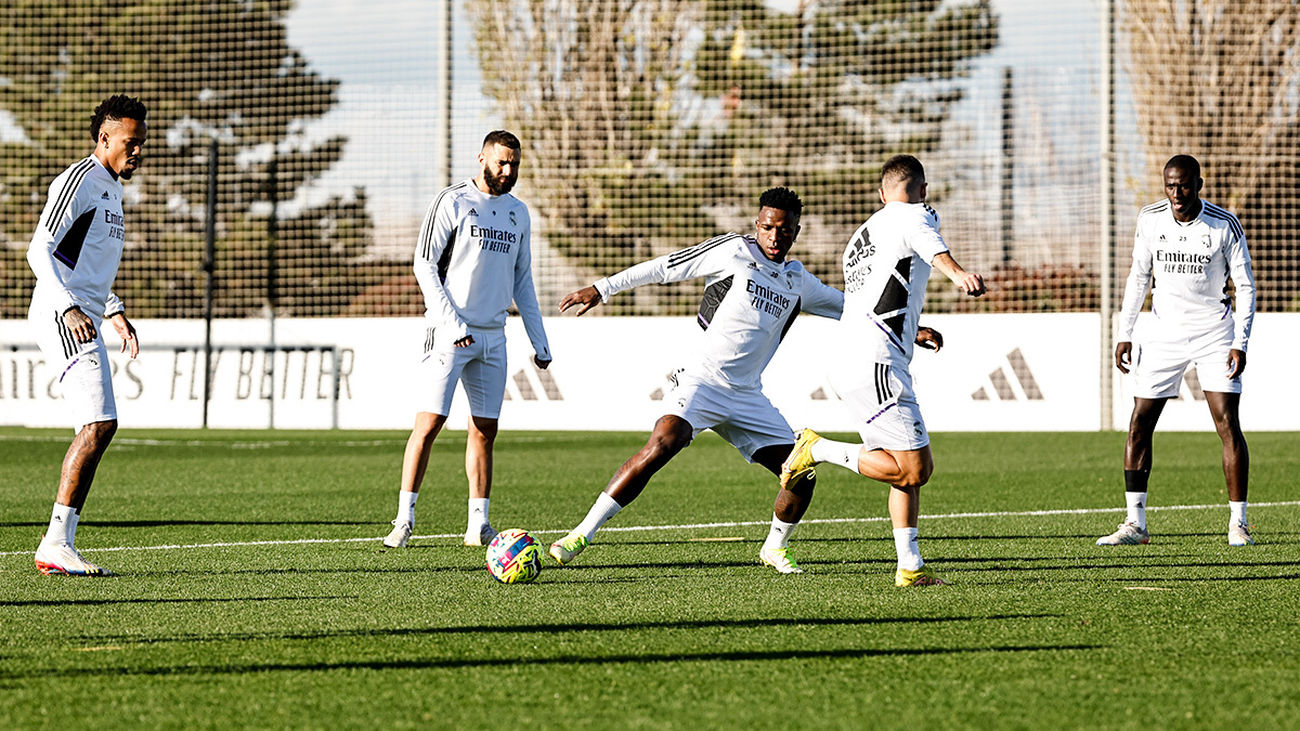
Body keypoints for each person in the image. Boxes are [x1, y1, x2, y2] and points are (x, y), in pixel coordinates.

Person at [548, 187, 843, 574]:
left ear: (796, 232)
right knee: (662, 443)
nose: (775, 237)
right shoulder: (734, 251)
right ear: (757, 225)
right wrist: (603, 288)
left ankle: (774, 547)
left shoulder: (798, 281)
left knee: (800, 472)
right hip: (701, 381)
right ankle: (580, 534)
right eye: (768, 227)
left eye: (784, 230)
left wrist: (909, 330)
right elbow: (664, 266)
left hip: (747, 395)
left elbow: (851, 309)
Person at [780, 155, 986, 587]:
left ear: (880, 193)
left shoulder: (862, 234)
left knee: (898, 463)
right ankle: (816, 449)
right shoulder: (914, 215)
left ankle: (909, 565)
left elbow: (872, 297)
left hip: (857, 355)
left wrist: (910, 333)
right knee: (916, 469)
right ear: (923, 190)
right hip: (877, 362)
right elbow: (929, 243)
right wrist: (959, 273)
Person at [382, 130, 552, 549]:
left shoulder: (519, 213)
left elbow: (522, 280)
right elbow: (424, 265)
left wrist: (540, 339)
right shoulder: (452, 201)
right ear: (482, 159)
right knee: (430, 424)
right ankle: (403, 519)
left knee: (485, 430)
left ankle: (478, 524)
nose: (508, 171)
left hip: (494, 338)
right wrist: (453, 324)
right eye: (501, 163)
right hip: (449, 334)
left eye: (514, 164)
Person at [1097, 154, 1256, 547]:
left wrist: (1240, 342)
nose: (1177, 193)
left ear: (1198, 185)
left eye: (1184, 185)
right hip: (1163, 333)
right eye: (1170, 186)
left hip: (1213, 332)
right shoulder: (1150, 219)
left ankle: (1239, 523)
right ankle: (1135, 524)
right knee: (1139, 422)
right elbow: (1138, 277)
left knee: (1226, 422)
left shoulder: (1224, 225)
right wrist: (1125, 331)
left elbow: (1246, 286)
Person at [27, 94, 148, 576]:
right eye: (130, 142)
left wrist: (113, 309)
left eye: (141, 143)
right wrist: (72, 306)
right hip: (63, 314)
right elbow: (41, 251)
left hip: (85, 312)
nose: (137, 151)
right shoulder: (79, 179)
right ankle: (56, 543)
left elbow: (87, 262)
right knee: (100, 423)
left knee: (97, 425)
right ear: (105, 138)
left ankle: (60, 541)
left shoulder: (112, 188)